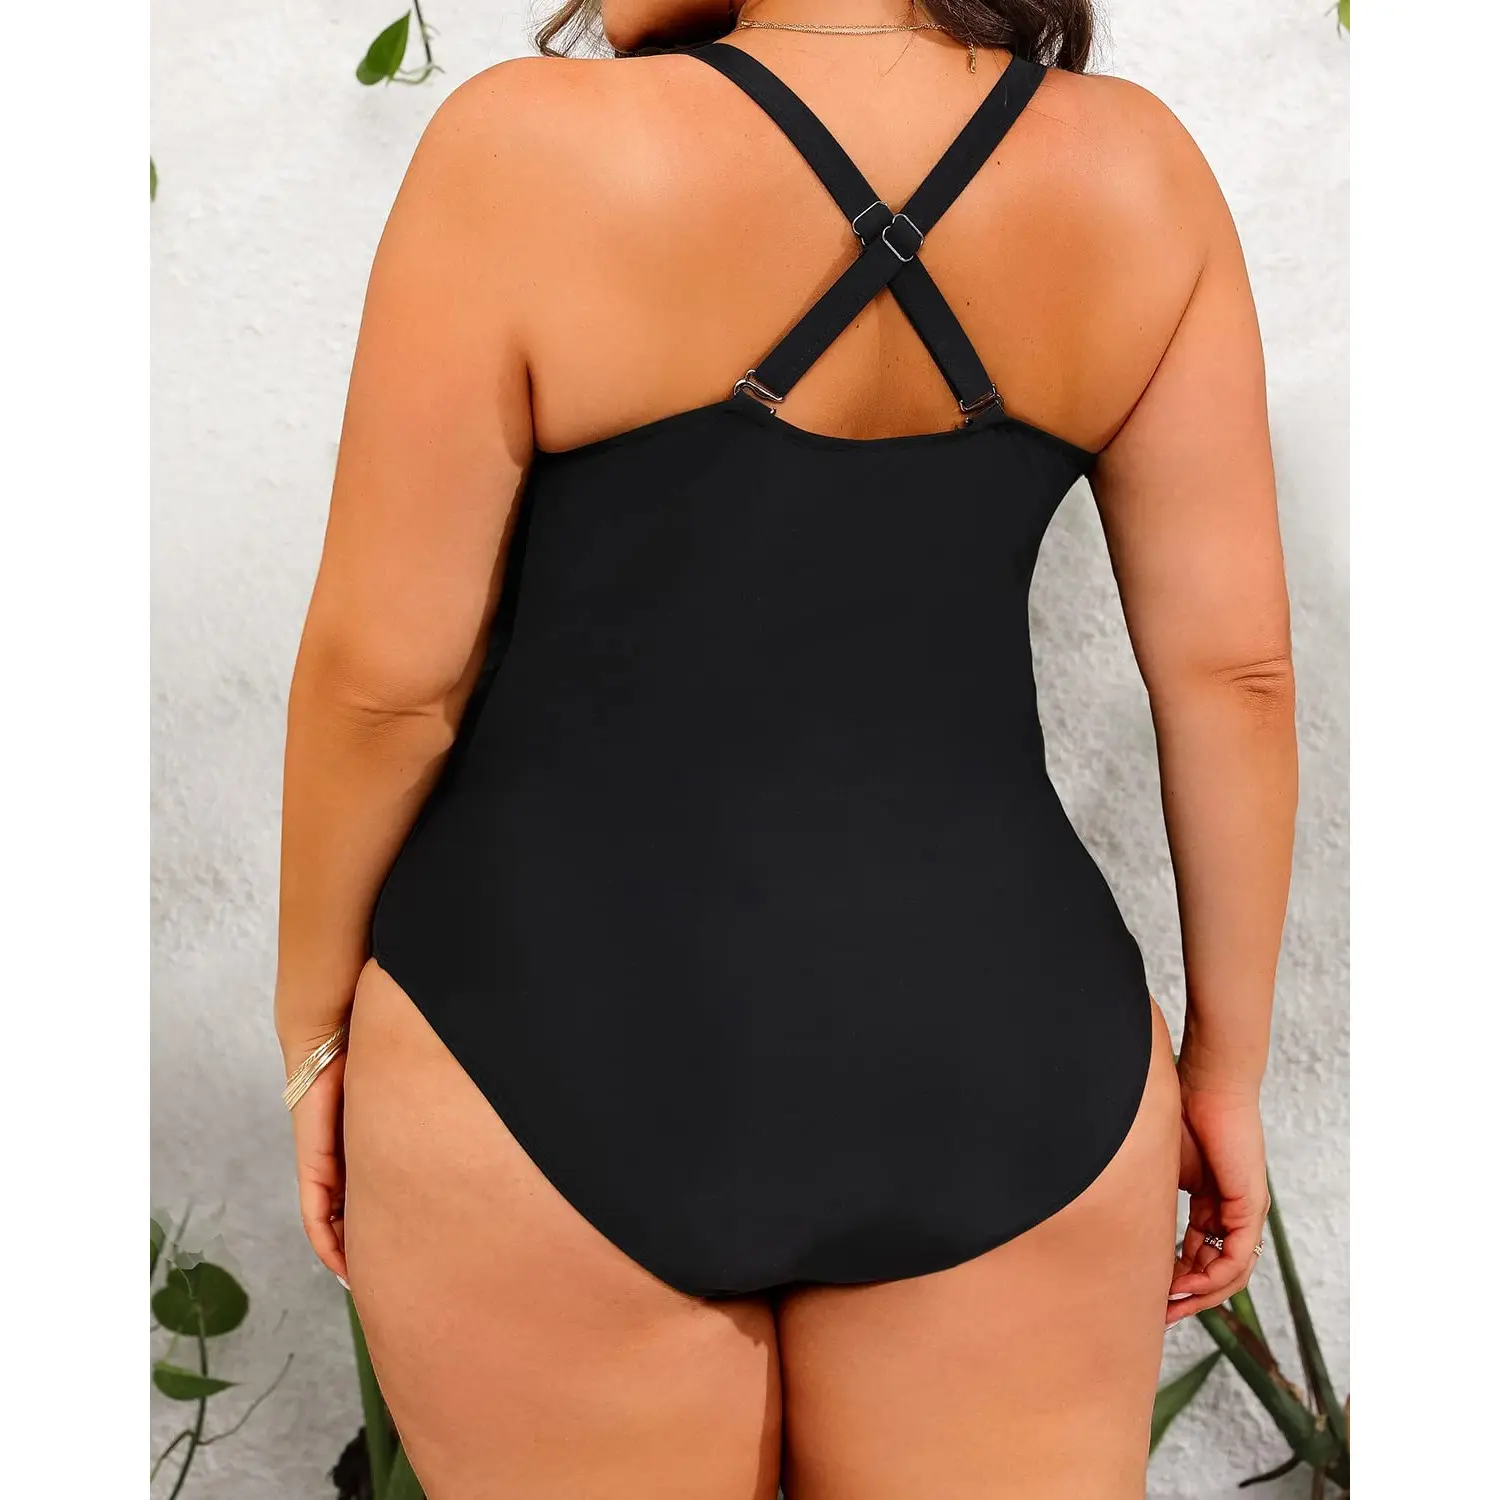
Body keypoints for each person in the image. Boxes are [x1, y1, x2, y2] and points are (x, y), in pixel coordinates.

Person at [275, 1, 1296, 1493]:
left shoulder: (523, 148)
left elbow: (385, 686)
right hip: (1007, 1058)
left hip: (546, 1035)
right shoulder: (1139, 171)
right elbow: (1234, 677)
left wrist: (314, 1027)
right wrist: (1228, 1076)